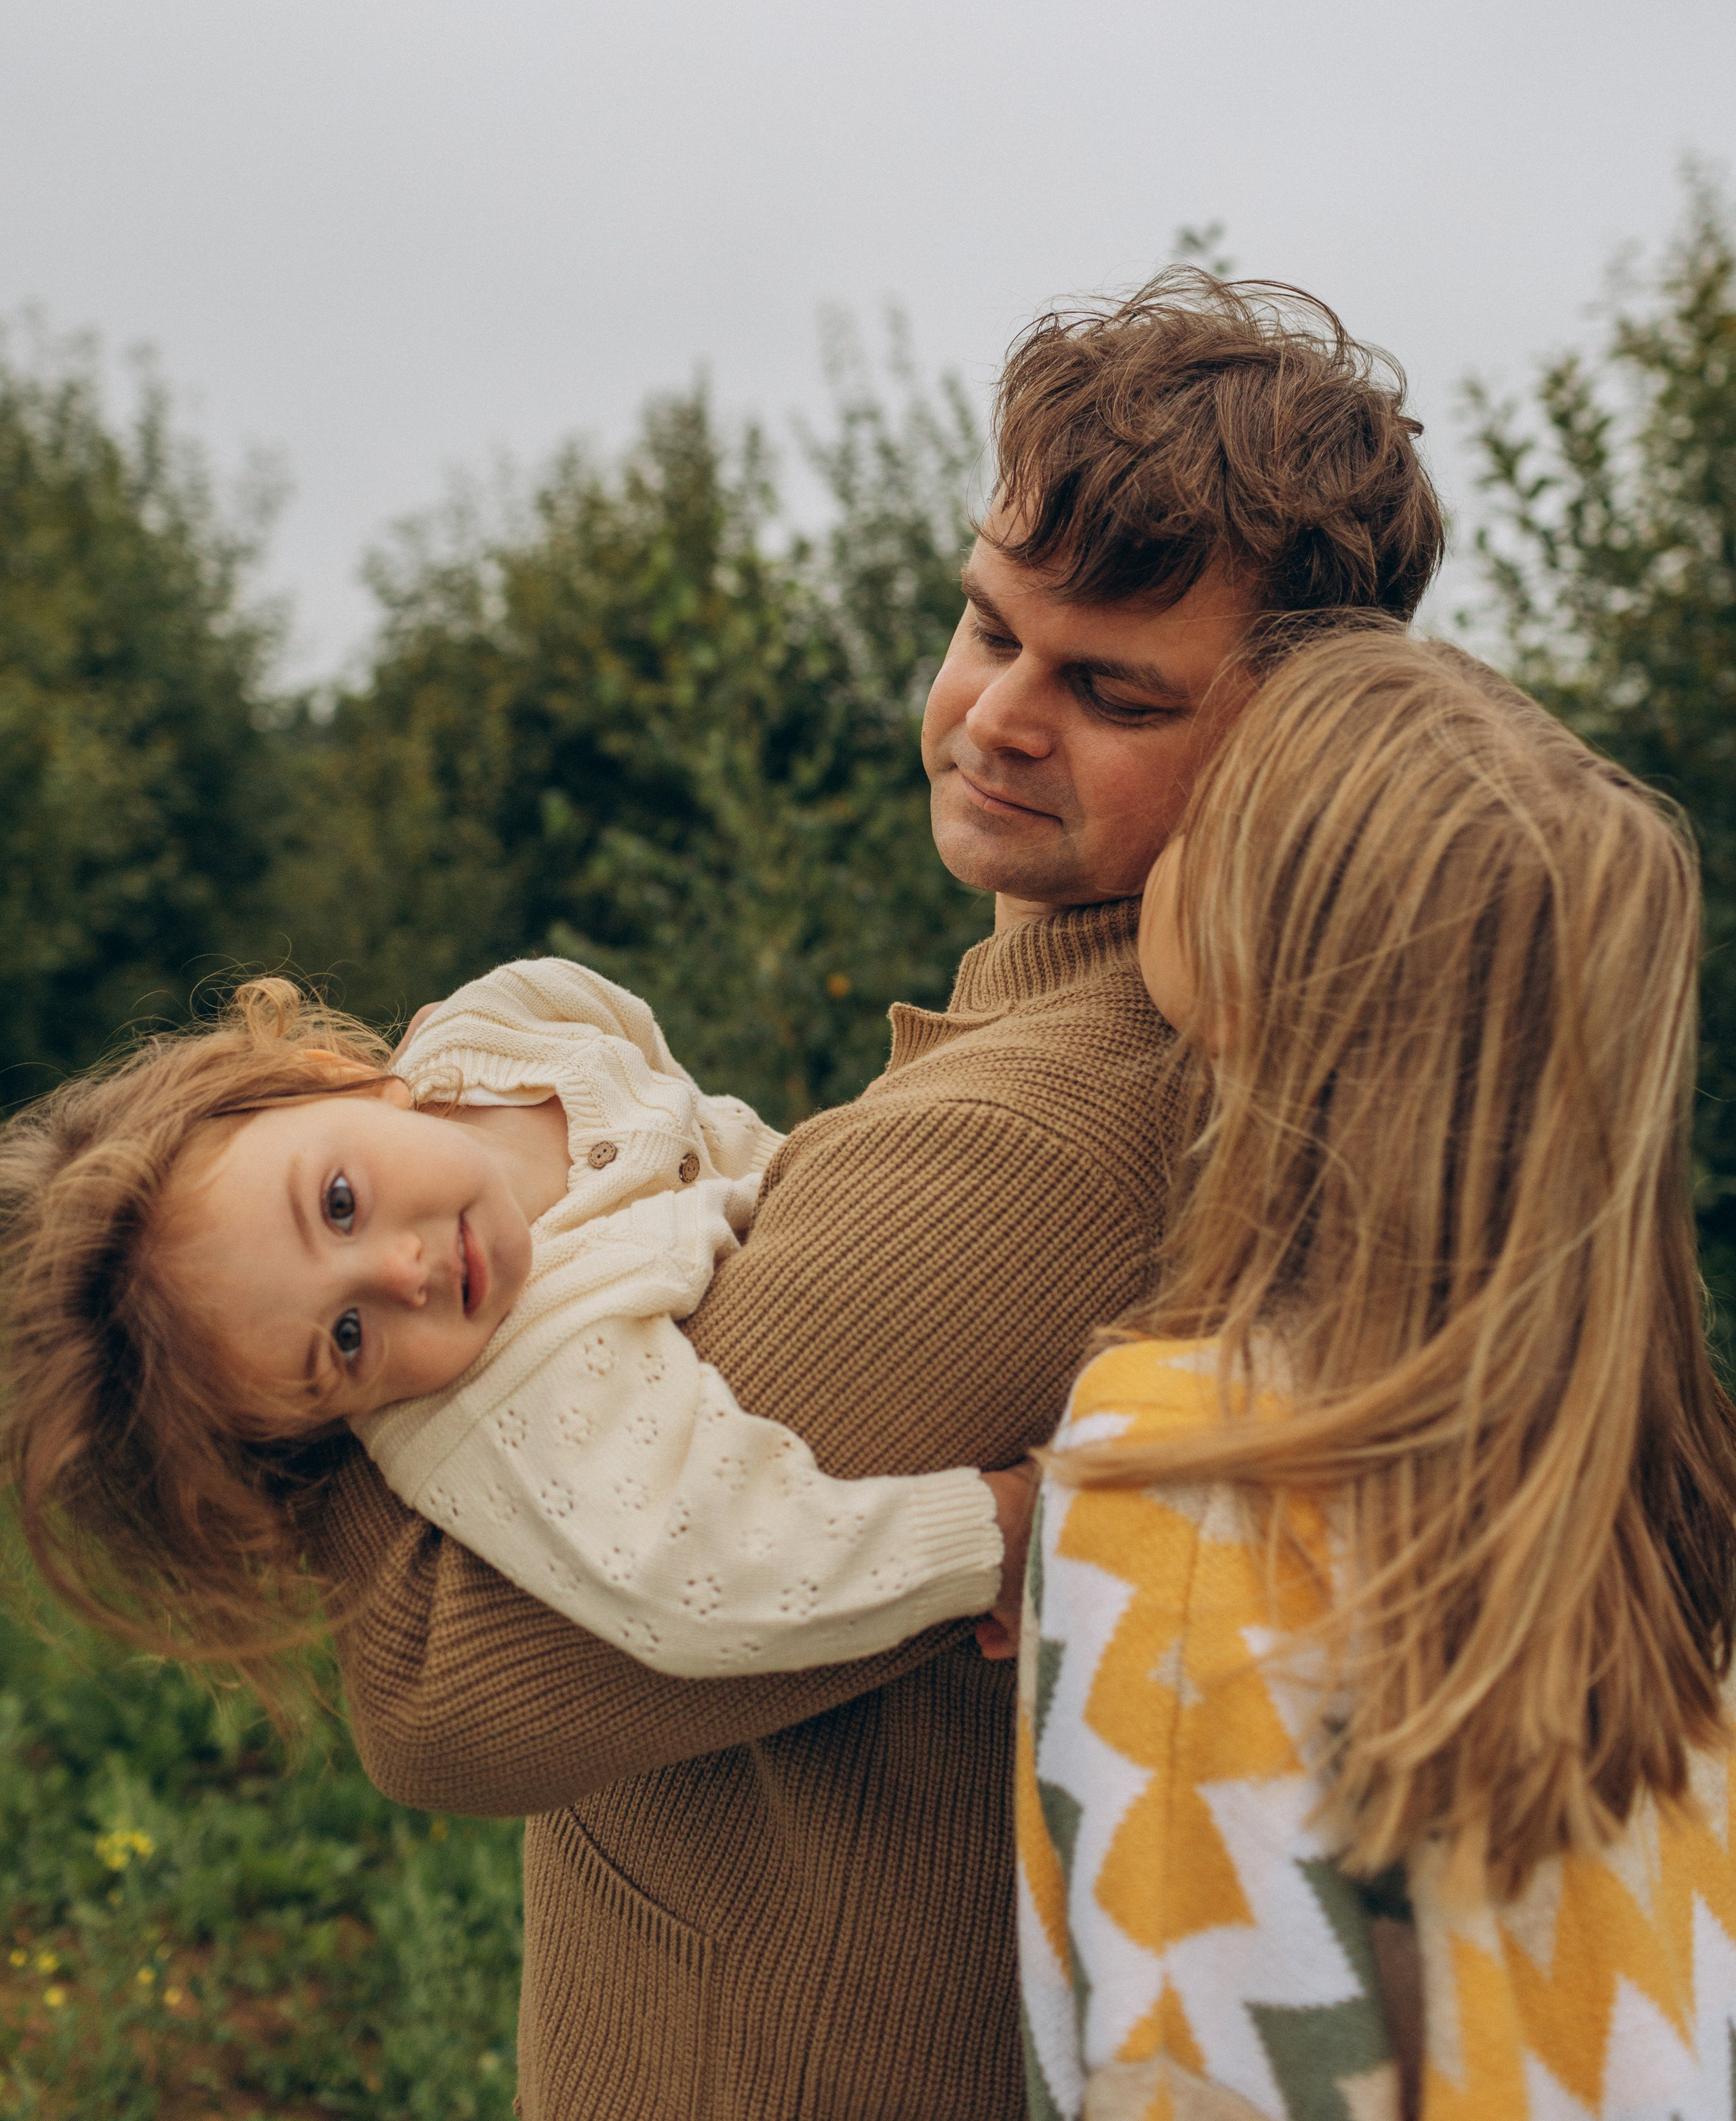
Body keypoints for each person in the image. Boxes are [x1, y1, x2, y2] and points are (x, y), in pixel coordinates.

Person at [215, 271, 1447, 2119]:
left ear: (1295, 745)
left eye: (1111, 689)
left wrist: (252, 1340)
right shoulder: (1050, 1020)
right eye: (991, 624)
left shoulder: (1048, 1123)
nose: (999, 715)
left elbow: (453, 1696)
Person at [1019, 628, 1736, 2121]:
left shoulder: (1188, 1458)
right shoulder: (1655, 1511)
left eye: (1217, 815)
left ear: (1267, 955)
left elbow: (1198, 2060)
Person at [1, 955, 1029, 1696]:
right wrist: (997, 1534)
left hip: (919, 1185)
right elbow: (703, 1575)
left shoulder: (504, 1030)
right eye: (347, 1340)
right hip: (1003, 1385)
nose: (403, 1274)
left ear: (327, 1077)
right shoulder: (520, 1393)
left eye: (341, 1204)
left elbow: (655, 1062)